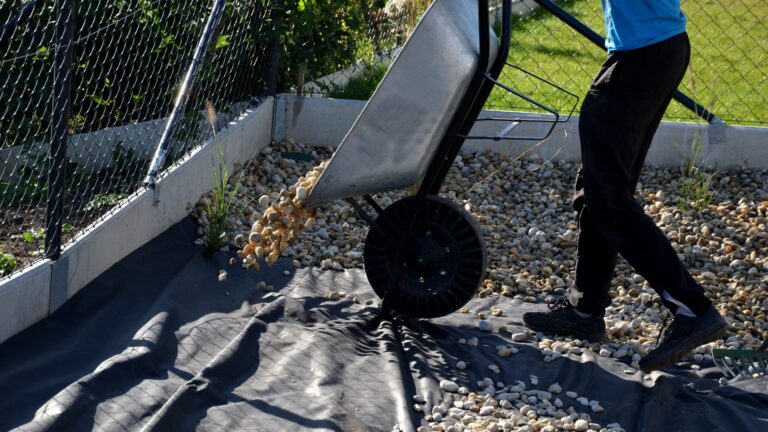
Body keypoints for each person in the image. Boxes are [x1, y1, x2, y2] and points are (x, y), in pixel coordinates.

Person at [521, 0, 728, 372]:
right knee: (599, 189)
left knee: (608, 199)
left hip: (642, 56)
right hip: (655, 48)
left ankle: (693, 310)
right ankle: (585, 311)